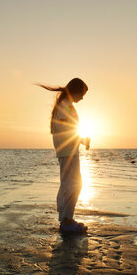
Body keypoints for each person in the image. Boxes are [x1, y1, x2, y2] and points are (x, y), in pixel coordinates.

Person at [37, 78, 90, 234]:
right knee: (71, 184)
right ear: (76, 91)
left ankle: (67, 218)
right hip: (67, 152)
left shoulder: (66, 106)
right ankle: (66, 221)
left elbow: (67, 131)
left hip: (69, 150)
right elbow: (63, 131)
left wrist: (81, 140)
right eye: (82, 94)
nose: (82, 98)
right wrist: (80, 140)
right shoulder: (64, 106)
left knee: (73, 183)